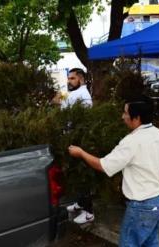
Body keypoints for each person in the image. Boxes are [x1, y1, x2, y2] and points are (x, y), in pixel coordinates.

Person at [68, 95, 159, 246]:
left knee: (128, 243)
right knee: (150, 242)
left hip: (142, 206)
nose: (123, 117)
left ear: (136, 118)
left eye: (125, 113)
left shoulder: (132, 141)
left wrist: (81, 153)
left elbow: (103, 166)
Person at [52, 68, 94, 224]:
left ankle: (89, 212)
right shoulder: (72, 93)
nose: (69, 81)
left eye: (72, 78)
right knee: (74, 174)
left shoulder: (83, 95)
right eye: (68, 78)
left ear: (81, 79)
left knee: (82, 176)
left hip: (79, 139)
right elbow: (55, 101)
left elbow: (82, 120)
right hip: (70, 137)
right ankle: (80, 203)